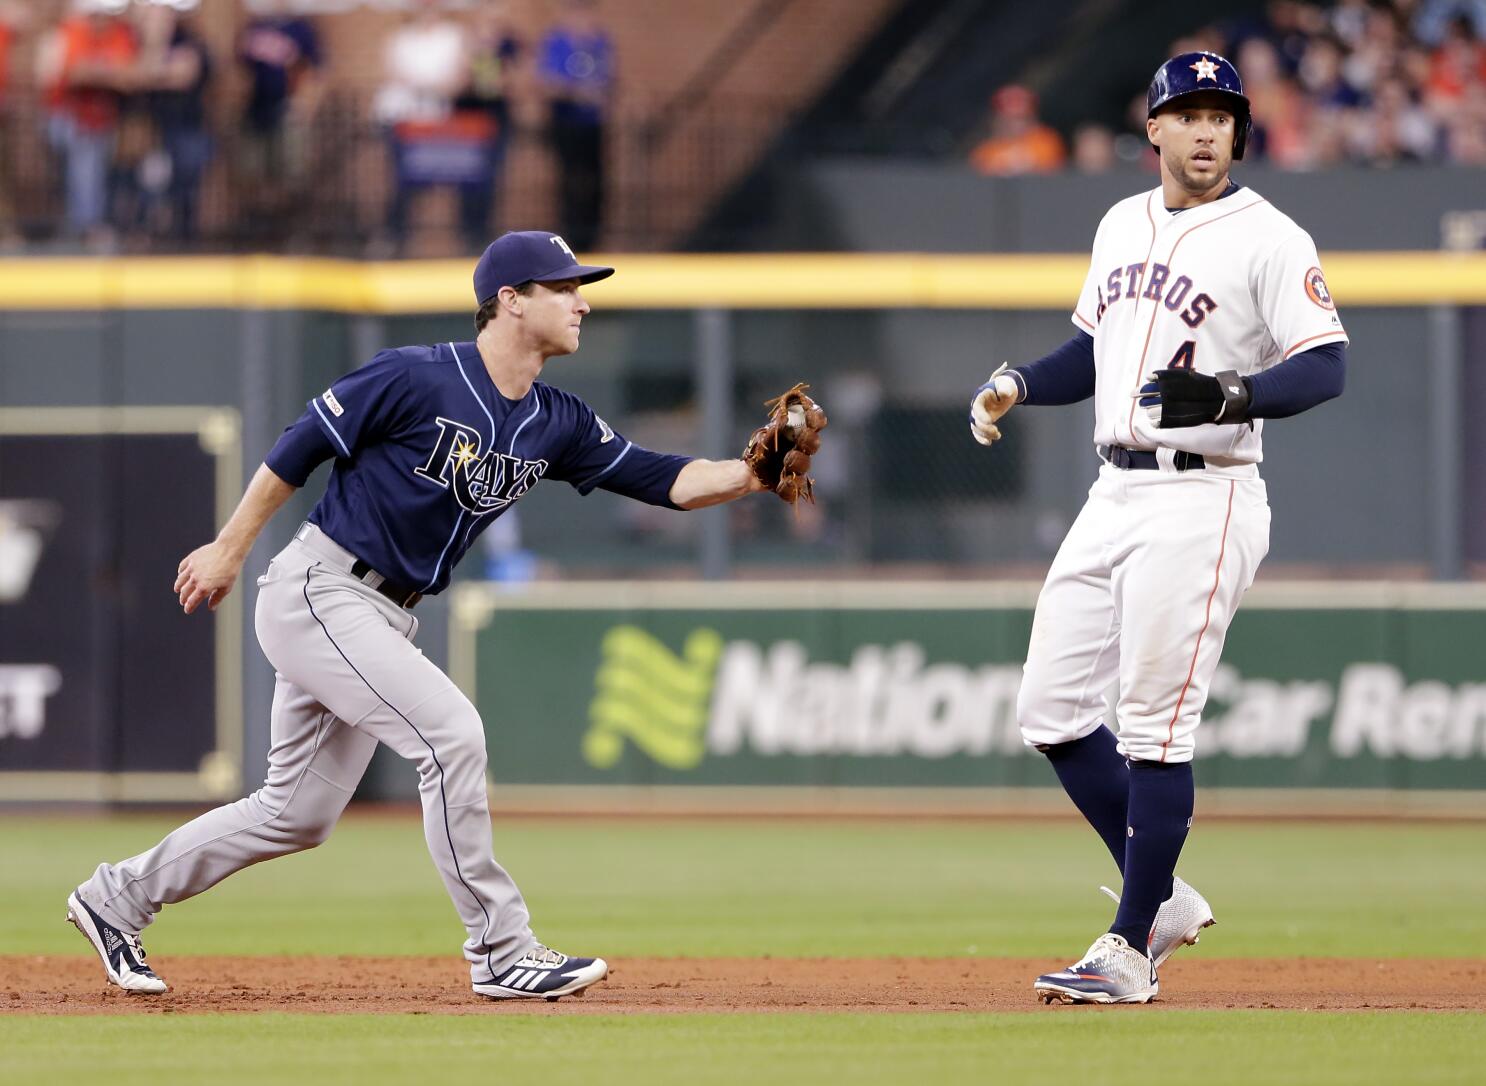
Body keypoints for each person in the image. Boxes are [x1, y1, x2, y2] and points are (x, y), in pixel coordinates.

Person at [66, 230, 772, 1002]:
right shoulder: (416, 375)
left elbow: (666, 480)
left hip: (382, 614)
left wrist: (752, 471)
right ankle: (502, 951)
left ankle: (114, 897)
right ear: (510, 300)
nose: (583, 301)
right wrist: (229, 547)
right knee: (452, 735)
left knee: (296, 814)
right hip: (322, 589)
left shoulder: (557, 420)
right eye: (564, 288)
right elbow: (300, 446)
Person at [969, 52, 1347, 1005]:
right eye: (1191, 113)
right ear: (1157, 130)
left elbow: (1326, 364)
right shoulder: (1120, 222)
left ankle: (1131, 948)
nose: (1210, 129)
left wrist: (1233, 391)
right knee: (1050, 711)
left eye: (1225, 115)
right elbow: (1097, 349)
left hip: (1205, 495)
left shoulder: (1270, 236)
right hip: (1116, 490)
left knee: (1155, 732)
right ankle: (1165, 897)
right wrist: (1021, 381)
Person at [36, 0, 138, 247]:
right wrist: (104, 73)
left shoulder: (119, 35)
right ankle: (86, 227)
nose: (100, 21)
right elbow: (70, 75)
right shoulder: (71, 33)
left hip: (103, 118)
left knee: (95, 170)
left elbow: (129, 76)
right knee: (84, 166)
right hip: (69, 116)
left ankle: (86, 226)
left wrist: (100, 73)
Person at [235, 1, 322, 241]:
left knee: (291, 173)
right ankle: (259, 231)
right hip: (257, 110)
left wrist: (305, 104)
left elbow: (316, 71)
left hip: (287, 108)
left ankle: (293, 232)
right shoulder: (255, 27)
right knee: (253, 172)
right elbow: (239, 68)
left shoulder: (301, 29)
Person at [538, 0, 614, 250]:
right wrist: (576, 93)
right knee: (569, 179)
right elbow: (547, 82)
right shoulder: (557, 42)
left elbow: (609, 78)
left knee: (595, 179)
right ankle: (570, 235)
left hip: (593, 123)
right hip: (566, 122)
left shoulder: (600, 42)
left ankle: (592, 236)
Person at [968, 85, 1066, 176]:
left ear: (1033, 117)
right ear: (998, 119)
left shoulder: (1047, 142)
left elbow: (1052, 175)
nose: (1016, 125)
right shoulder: (986, 151)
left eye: (1021, 118)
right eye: (1010, 119)